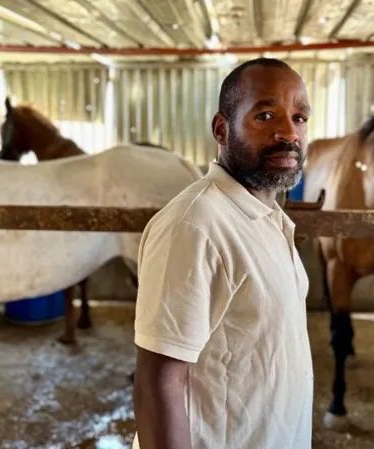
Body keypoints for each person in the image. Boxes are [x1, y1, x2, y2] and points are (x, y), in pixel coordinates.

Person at [131, 57, 314, 449]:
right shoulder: (194, 225)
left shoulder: (267, 217)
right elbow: (156, 384)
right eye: (265, 115)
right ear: (221, 129)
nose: (289, 133)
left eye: (299, 118)